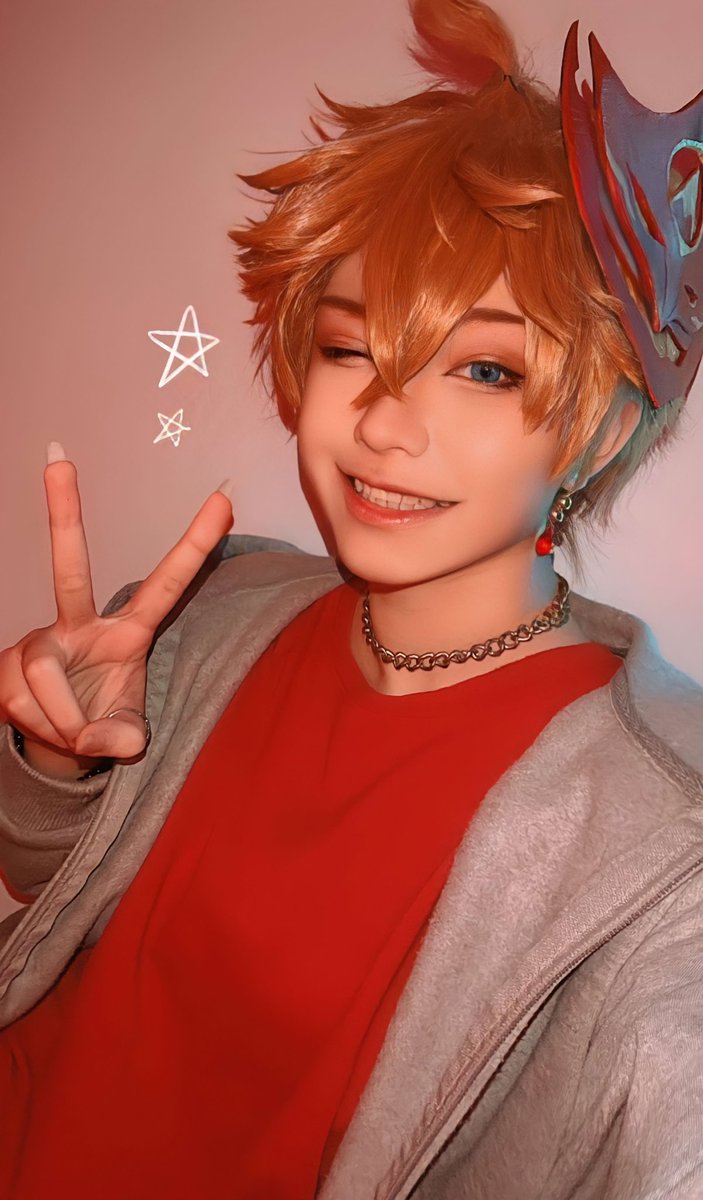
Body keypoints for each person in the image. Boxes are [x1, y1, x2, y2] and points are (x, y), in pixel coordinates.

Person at [0, 0, 702, 1197]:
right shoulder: (217, 605)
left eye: (483, 368)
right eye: (349, 348)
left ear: (598, 430)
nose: (381, 424)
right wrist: (54, 760)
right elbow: (39, 875)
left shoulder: (658, 838)